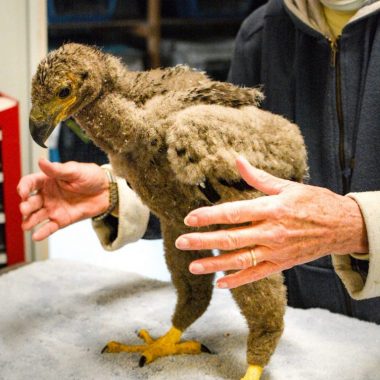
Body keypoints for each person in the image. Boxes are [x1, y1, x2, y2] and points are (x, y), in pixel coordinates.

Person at [18, 0, 380, 323]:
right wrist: (125, 193)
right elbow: (225, 186)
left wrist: (357, 225)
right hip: (307, 333)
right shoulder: (264, 32)